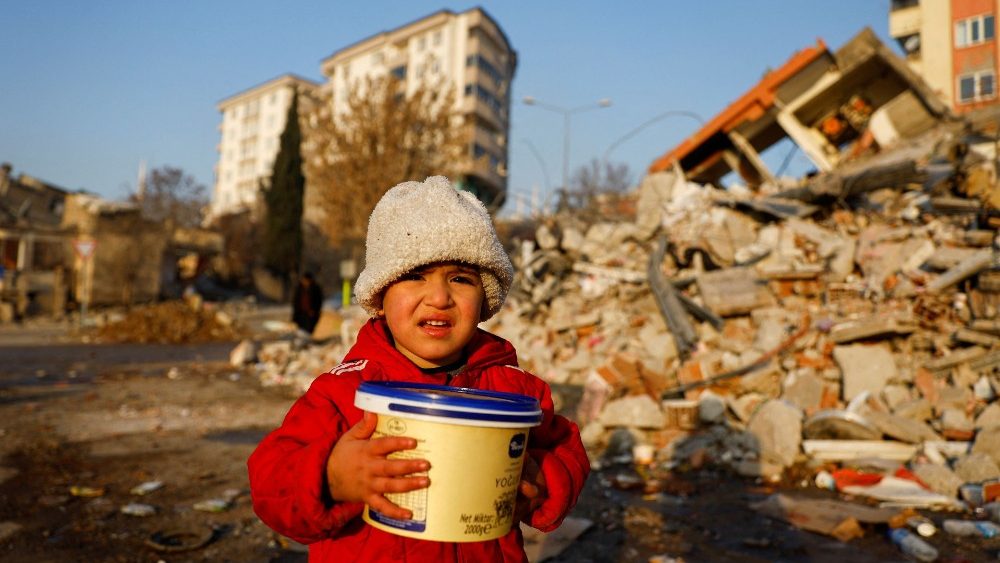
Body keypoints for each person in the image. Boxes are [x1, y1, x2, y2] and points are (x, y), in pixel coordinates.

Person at [248, 176, 589, 562]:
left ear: (485, 299)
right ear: (381, 294)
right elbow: (269, 481)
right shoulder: (345, 393)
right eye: (415, 276)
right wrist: (332, 477)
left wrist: (541, 480)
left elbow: (568, 451)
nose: (440, 297)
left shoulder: (514, 393)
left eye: (460, 279)